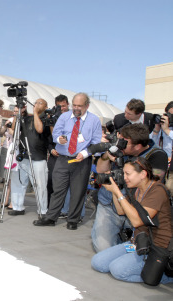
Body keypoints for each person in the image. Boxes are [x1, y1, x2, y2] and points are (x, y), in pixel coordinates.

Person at [91, 157, 173, 284]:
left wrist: (118, 193)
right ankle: (135, 262)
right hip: (137, 242)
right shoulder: (135, 188)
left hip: (155, 246)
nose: (124, 177)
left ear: (143, 174)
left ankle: (163, 275)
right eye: (123, 173)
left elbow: (137, 221)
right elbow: (121, 211)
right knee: (98, 263)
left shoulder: (158, 191)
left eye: (128, 174)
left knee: (118, 270)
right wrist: (114, 190)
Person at [91, 123, 168, 252]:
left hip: (135, 207)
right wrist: (106, 156)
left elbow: (154, 182)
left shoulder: (157, 155)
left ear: (137, 146)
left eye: (124, 142)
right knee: (103, 249)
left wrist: (125, 171)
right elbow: (100, 169)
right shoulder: (118, 149)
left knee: (133, 249)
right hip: (109, 204)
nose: (120, 144)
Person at [33, 92, 102, 229]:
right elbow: (56, 134)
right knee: (58, 190)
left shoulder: (94, 121)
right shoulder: (64, 117)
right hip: (63, 159)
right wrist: (59, 139)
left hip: (81, 161)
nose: (76, 108)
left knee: (78, 191)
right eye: (74, 105)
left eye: (80, 106)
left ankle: (73, 220)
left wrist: (85, 153)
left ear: (87, 106)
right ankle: (51, 218)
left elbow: (97, 143)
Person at [9, 99, 51, 216]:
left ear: (46, 106)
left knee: (40, 185)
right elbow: (15, 129)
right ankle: (17, 207)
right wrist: (18, 114)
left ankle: (42, 210)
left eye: (40, 103)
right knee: (18, 182)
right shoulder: (27, 119)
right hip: (23, 156)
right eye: (36, 102)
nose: (37, 104)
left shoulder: (47, 120)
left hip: (38, 158)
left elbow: (39, 129)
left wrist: (36, 113)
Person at [47, 94, 69, 204]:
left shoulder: (74, 118)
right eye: (59, 106)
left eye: (64, 106)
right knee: (50, 180)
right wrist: (51, 150)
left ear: (68, 105)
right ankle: (49, 206)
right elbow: (49, 139)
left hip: (68, 156)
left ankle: (63, 208)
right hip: (54, 156)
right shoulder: (53, 119)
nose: (62, 109)